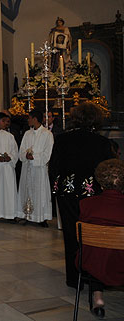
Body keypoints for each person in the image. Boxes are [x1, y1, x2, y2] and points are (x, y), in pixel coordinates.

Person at [50, 102, 114, 288]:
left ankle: (74, 278)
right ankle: (92, 275)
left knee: (71, 234)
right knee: (92, 235)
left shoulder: (62, 139)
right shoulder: (102, 142)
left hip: (67, 192)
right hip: (92, 194)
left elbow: (53, 167)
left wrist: (57, 187)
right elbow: (106, 170)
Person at [77, 159, 124, 318]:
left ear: (100, 180)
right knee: (111, 253)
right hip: (120, 265)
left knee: (99, 251)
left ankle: (98, 299)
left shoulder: (86, 204)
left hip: (91, 263)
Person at [16, 111, 54, 227]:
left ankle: (41, 217)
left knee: (40, 191)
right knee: (27, 190)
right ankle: (27, 215)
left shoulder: (47, 134)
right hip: (27, 167)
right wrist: (25, 155)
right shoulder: (28, 133)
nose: (28, 120)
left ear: (35, 119)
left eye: (30, 118)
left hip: (39, 169)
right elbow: (22, 149)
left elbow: (48, 153)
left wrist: (35, 157)